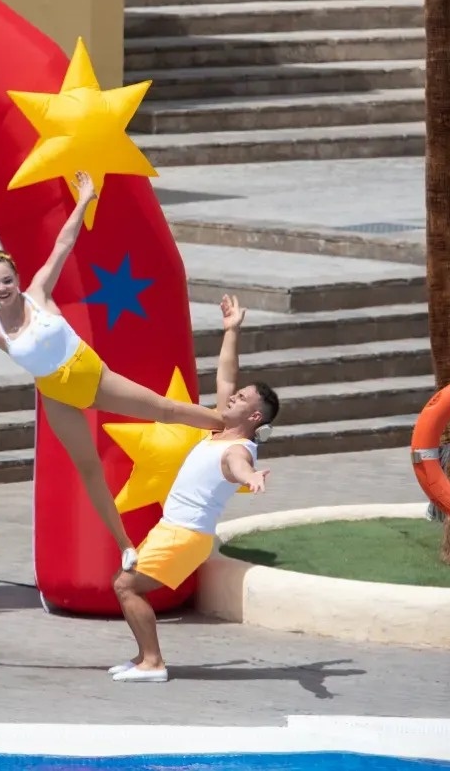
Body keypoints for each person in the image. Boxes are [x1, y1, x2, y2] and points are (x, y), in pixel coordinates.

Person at [0, 170, 235, 572]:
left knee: (162, 408)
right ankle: (124, 545)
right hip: (58, 396)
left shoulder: (39, 293)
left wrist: (84, 198)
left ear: (16, 279)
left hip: (91, 375)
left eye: (6, 280)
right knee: (89, 468)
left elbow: (64, 242)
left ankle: (225, 423)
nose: (2, 288)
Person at [109, 292, 279, 684]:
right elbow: (225, 375)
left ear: (253, 416)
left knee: (126, 586)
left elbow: (237, 467)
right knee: (128, 587)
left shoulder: (239, 448)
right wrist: (231, 331)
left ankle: (153, 663)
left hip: (184, 536)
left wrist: (249, 478)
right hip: (173, 528)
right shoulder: (220, 427)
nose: (230, 398)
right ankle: (142, 657)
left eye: (239, 399)